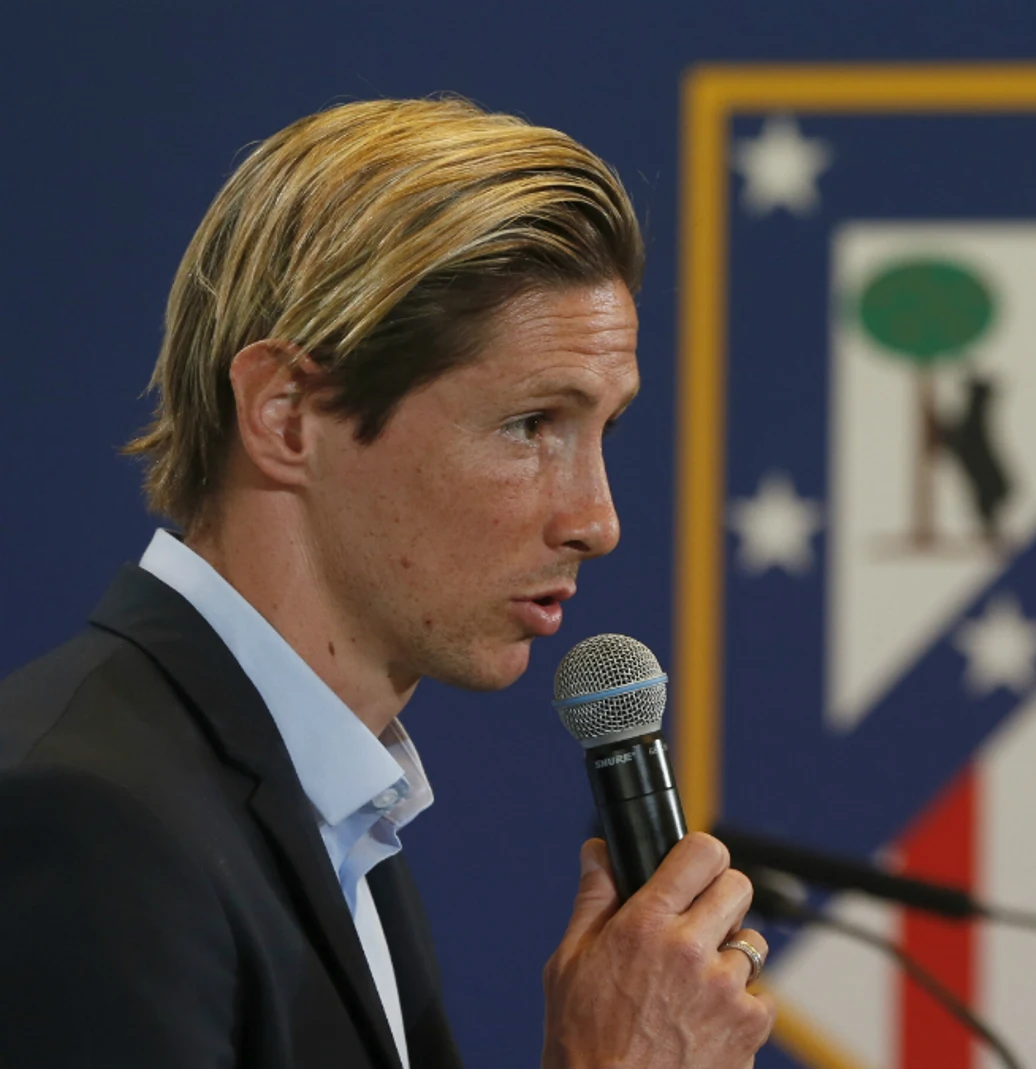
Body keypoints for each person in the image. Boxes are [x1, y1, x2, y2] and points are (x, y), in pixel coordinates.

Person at [0, 97, 774, 1069]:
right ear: (285, 417)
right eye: (532, 423)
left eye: (601, 430)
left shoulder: (326, 813)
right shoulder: (87, 818)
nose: (597, 520)